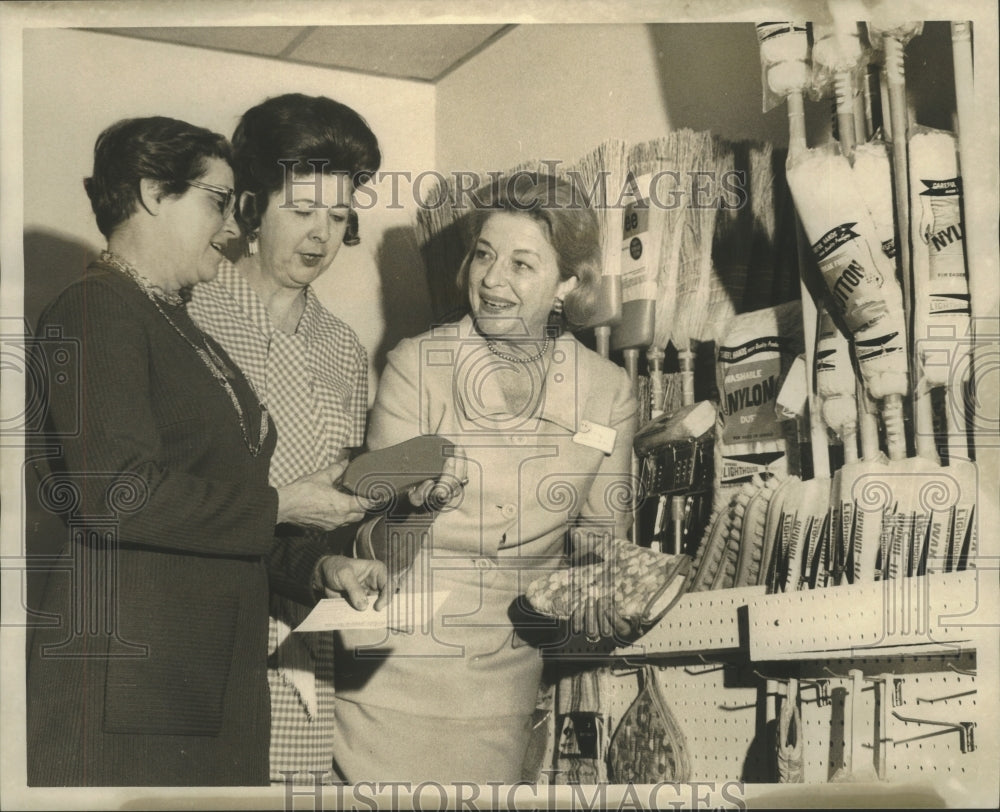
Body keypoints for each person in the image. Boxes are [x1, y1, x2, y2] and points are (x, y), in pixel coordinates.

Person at [25, 116, 390, 787]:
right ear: (151, 194)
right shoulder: (95, 309)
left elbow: (220, 510)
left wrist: (319, 568)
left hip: (204, 679)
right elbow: (120, 494)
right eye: (217, 202)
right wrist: (286, 501)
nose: (229, 227)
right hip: (134, 684)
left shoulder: (174, 323)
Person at [331, 173, 642, 783]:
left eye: (522, 264)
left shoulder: (606, 391)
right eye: (483, 254)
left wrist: (608, 592)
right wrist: (410, 494)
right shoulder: (418, 364)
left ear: (568, 285)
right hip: (393, 672)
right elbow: (368, 523)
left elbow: (602, 533)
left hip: (503, 680)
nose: (492, 280)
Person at [186, 93, 379, 785]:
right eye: (301, 211)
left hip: (302, 637)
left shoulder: (344, 351)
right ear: (250, 207)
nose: (321, 237)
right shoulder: (187, 313)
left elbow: (342, 510)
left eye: (338, 216)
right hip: (198, 630)